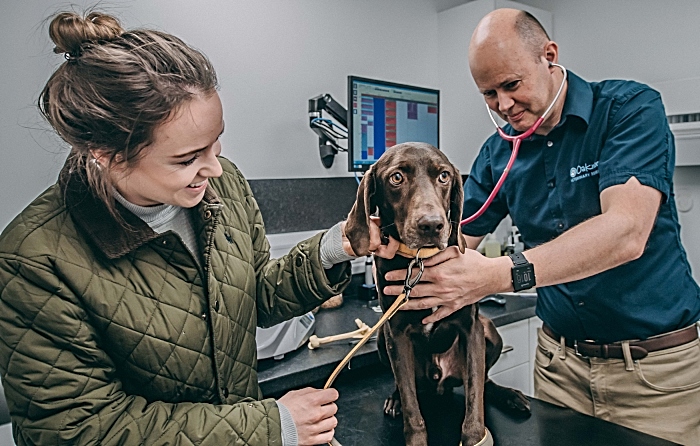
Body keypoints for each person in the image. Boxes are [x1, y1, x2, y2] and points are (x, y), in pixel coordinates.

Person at [0, 11, 385, 446]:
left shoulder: (224, 186)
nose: (214, 167)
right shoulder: (33, 261)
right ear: (105, 153)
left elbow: (254, 295)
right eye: (187, 159)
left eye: (216, 142)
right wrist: (271, 426)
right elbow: (79, 431)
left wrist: (337, 247)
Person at [380, 8, 700, 444]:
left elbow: (626, 232)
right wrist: (391, 238)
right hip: (558, 369)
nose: (504, 105)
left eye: (511, 85)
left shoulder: (628, 111)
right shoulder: (499, 154)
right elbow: (456, 238)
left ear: (548, 55)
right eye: (489, 94)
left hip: (654, 375)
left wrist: (497, 274)